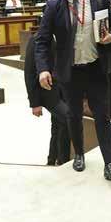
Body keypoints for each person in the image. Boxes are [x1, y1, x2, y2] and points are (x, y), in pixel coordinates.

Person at [35, 0, 111, 180]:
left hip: (95, 68)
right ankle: (80, 154)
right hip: (70, 71)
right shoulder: (53, 6)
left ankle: (109, 163)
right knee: (74, 115)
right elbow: (42, 41)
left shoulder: (100, 1)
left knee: (102, 116)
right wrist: (43, 69)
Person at [24, 34, 73, 166]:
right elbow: (29, 73)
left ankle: (52, 159)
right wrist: (35, 103)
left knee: (57, 125)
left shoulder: (64, 36)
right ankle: (64, 160)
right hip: (47, 93)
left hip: (63, 91)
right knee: (67, 119)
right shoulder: (36, 39)